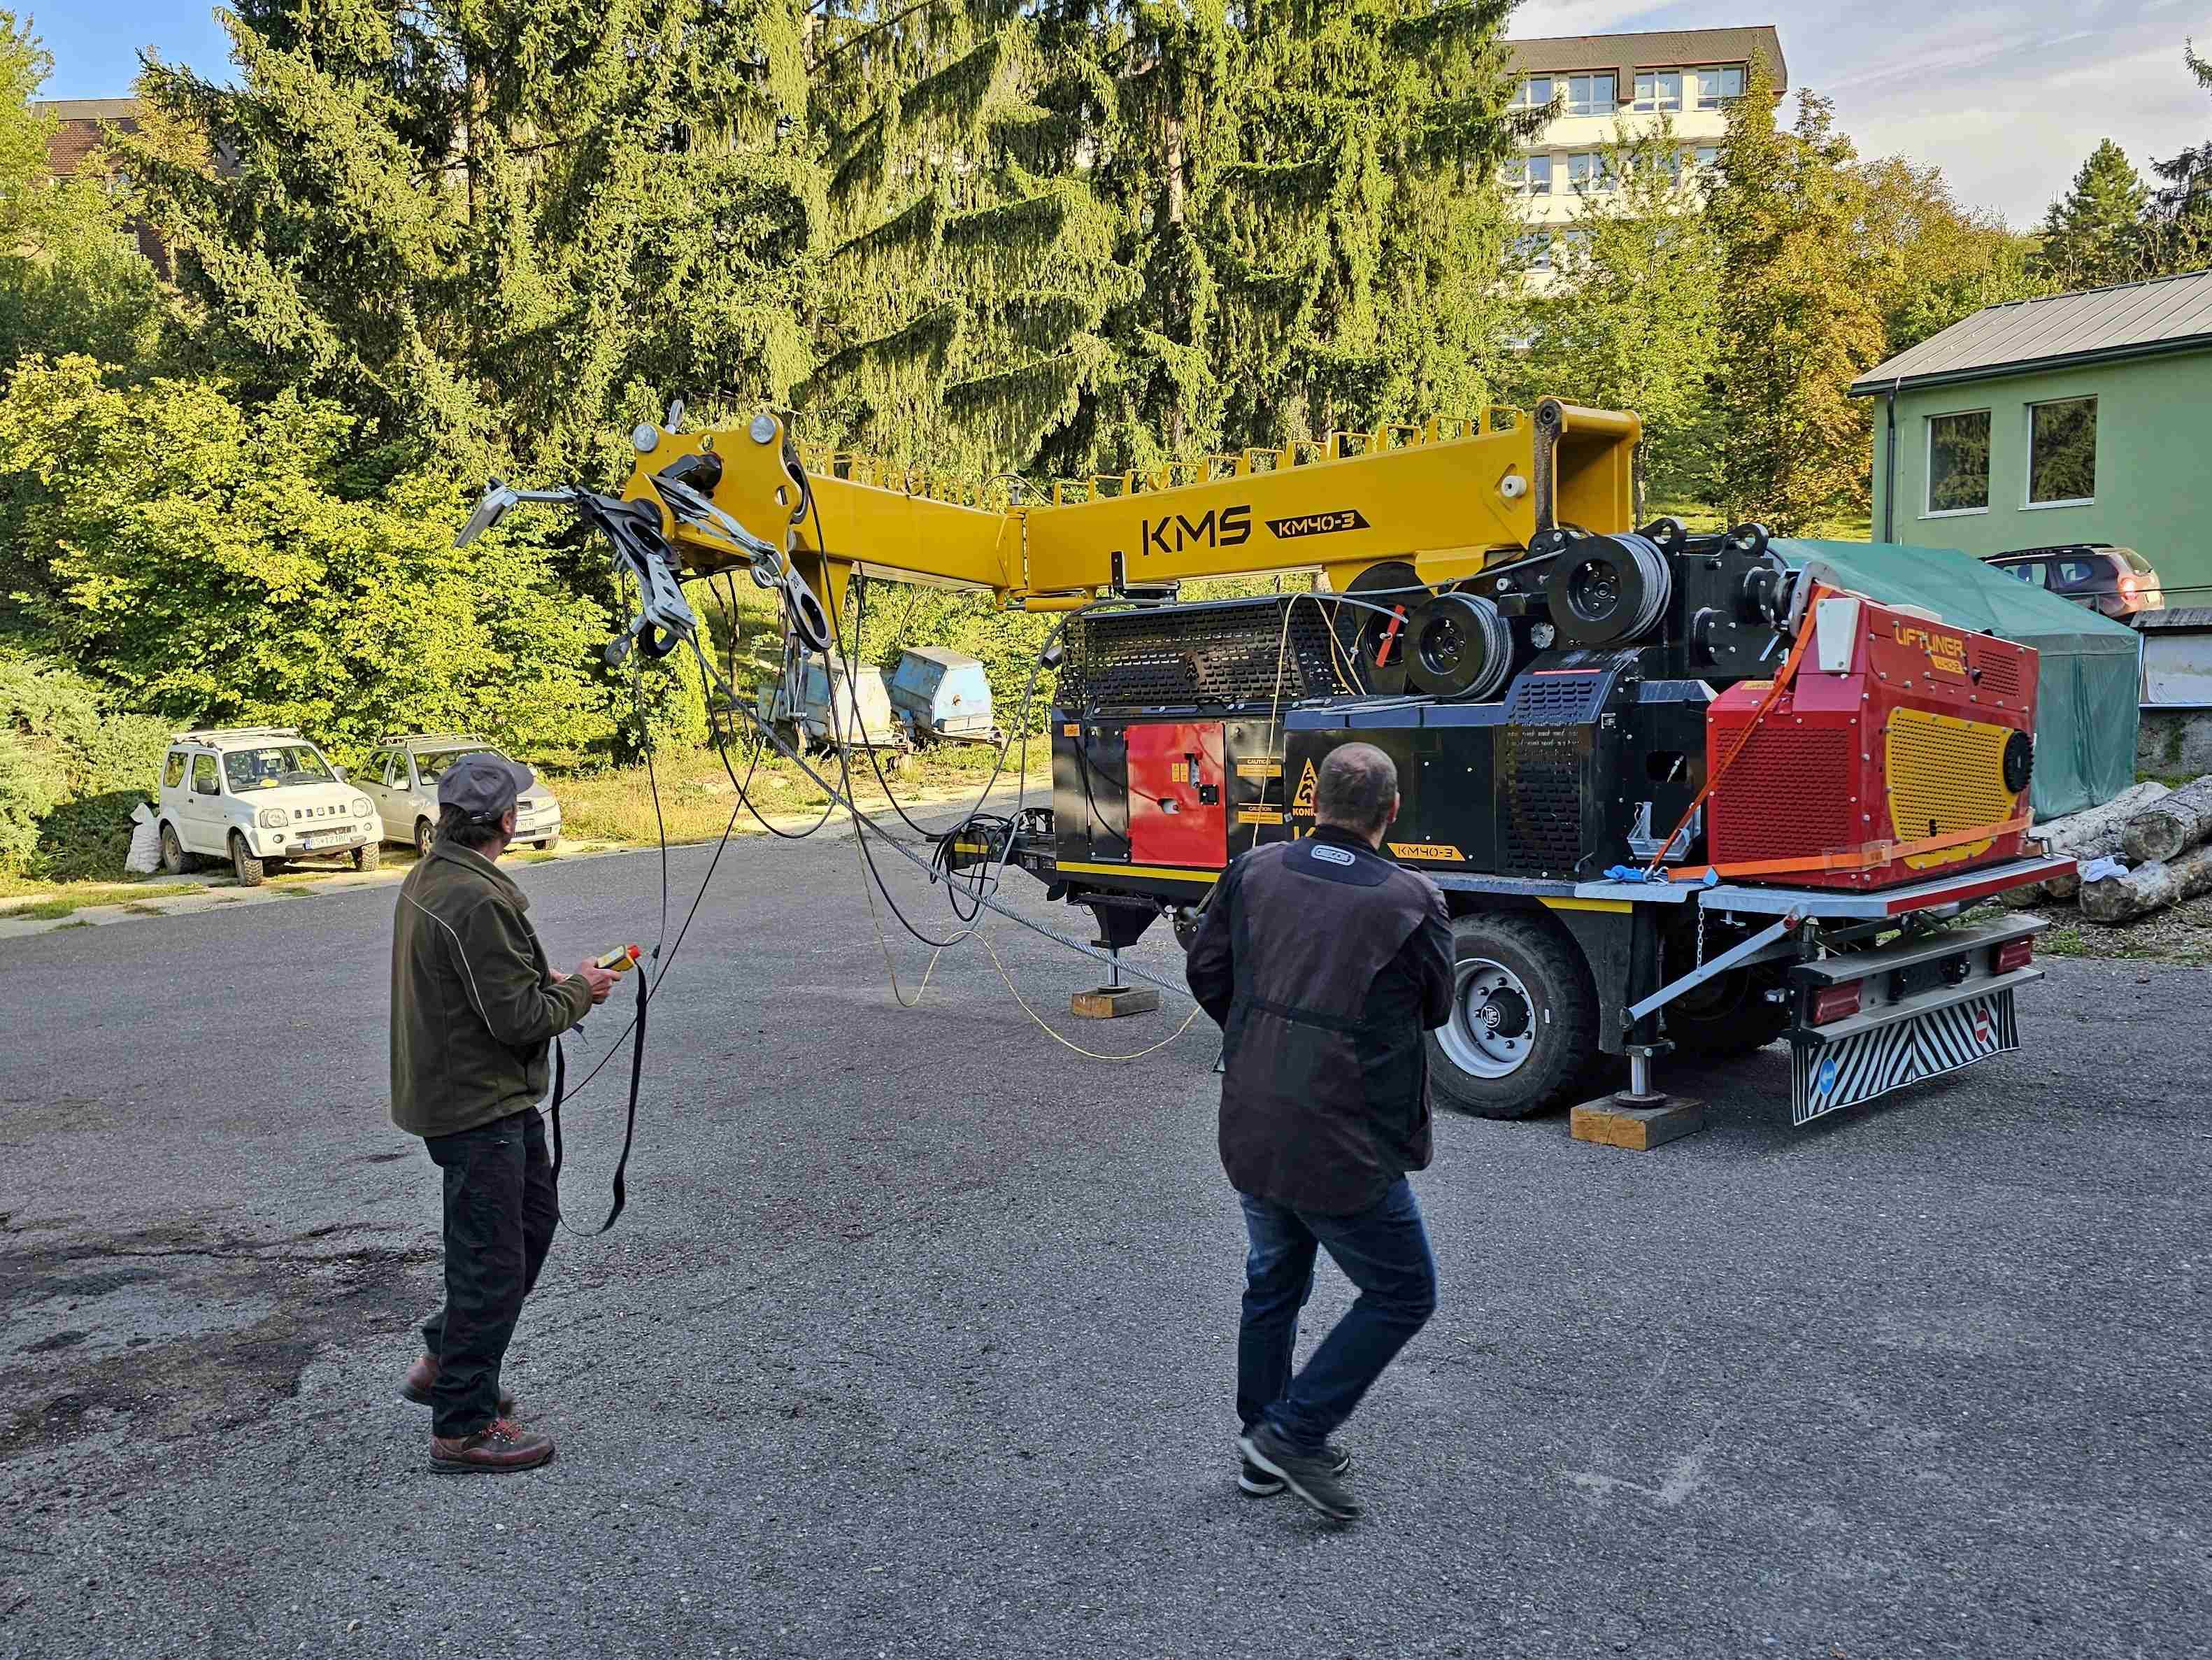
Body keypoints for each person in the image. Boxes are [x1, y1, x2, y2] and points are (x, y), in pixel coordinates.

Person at [1185, 742, 1453, 1521]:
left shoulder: (1253, 869)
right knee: (1403, 1291)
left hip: (1252, 1116)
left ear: (1314, 804)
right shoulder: (1411, 900)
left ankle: (1259, 1447)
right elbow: (1433, 1009)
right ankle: (1291, 1435)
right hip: (1340, 1135)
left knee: (1274, 1278)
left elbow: (1208, 972)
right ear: (1392, 812)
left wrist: (1263, 1039)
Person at [389, 751, 615, 1473]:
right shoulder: (478, 898)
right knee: (490, 1261)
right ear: (508, 821)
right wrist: (580, 989)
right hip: (475, 1103)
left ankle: (443, 1358)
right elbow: (518, 1019)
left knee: (527, 1228)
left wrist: (535, 980)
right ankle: (462, 1426)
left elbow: (486, 984)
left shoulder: (438, 872)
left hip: (476, 1094)